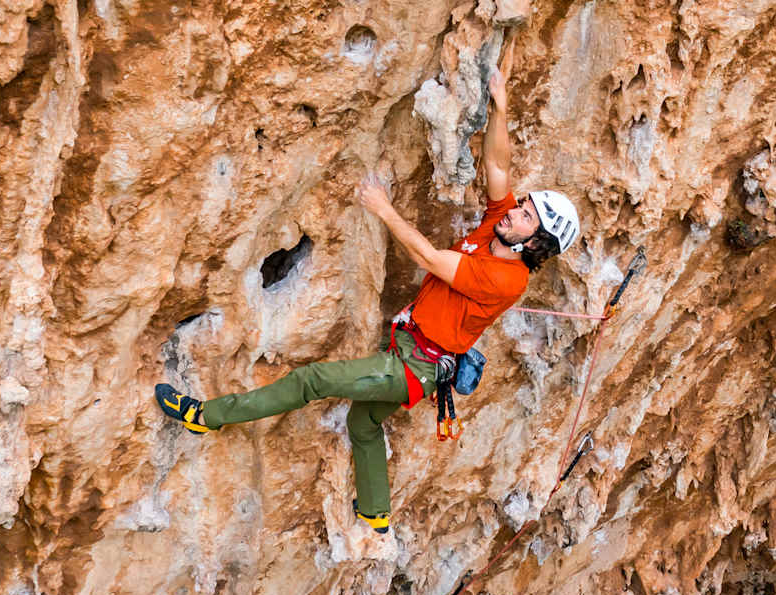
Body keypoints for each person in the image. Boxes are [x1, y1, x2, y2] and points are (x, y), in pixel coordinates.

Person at [153, 48, 581, 533]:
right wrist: (500, 105)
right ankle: (376, 514)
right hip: (410, 347)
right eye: (522, 206)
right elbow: (499, 168)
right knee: (363, 424)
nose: (514, 211)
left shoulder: (507, 277)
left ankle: (205, 415)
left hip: (414, 367)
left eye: (525, 216)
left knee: (312, 380)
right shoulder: (497, 229)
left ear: (535, 243)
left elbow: (429, 259)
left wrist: (382, 208)